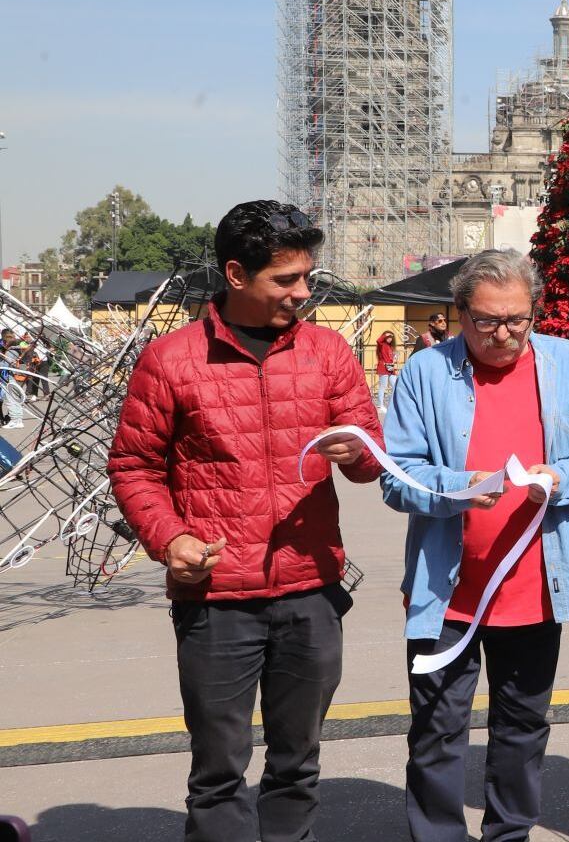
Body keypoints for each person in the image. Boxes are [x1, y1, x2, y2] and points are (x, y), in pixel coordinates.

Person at [108, 200, 383, 842]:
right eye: (285, 280)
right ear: (236, 274)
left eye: (306, 276)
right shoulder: (170, 360)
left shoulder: (328, 352)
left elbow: (372, 460)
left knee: (297, 766)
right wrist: (169, 537)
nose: (302, 292)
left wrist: (361, 452)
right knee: (218, 771)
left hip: (311, 590)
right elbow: (134, 465)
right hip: (217, 598)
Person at [380, 249, 569, 842]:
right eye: (487, 321)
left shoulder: (566, 362)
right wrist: (459, 489)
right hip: (447, 589)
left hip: (536, 582)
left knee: (523, 723)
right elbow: (395, 475)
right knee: (436, 726)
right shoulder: (427, 372)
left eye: (518, 319)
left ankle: (508, 833)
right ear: (459, 313)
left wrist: (559, 480)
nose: (504, 334)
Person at [375, 329, 399, 411]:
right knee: (383, 386)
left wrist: (394, 358)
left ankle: (391, 404)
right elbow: (378, 340)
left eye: (391, 337)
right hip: (383, 367)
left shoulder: (390, 347)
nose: (390, 338)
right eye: (388, 337)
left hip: (390, 368)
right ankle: (380, 405)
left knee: (395, 386)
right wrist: (385, 335)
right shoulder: (382, 344)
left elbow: (391, 358)